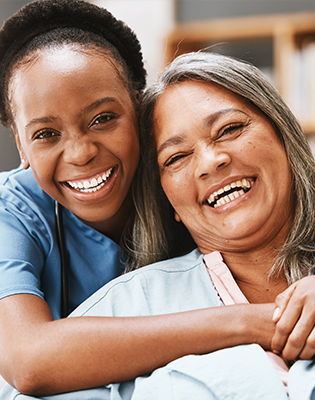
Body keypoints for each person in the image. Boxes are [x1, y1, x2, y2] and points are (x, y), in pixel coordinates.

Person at [0, 1, 279, 398]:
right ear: (21, 146)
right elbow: (27, 360)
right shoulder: (12, 213)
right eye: (46, 134)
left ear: (139, 107)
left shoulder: (188, 179)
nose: (80, 153)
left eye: (103, 119)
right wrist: (253, 323)